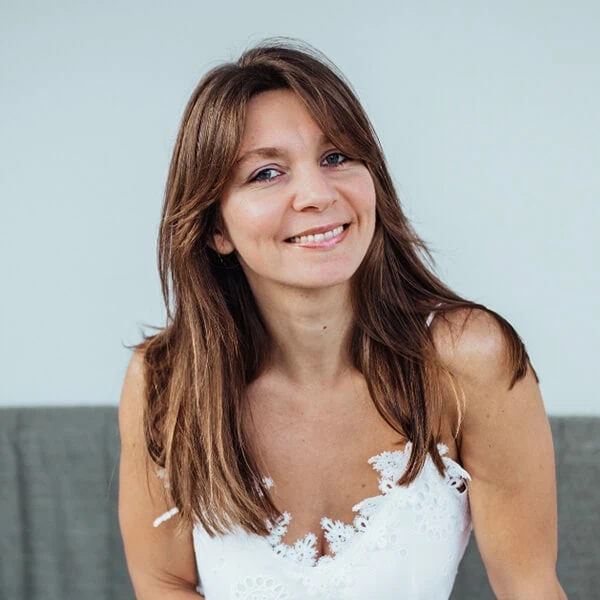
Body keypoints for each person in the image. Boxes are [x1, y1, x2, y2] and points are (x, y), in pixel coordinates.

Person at [118, 37, 566, 599]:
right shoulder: (164, 380)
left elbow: (529, 585)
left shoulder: (468, 359)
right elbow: (164, 584)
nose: (316, 194)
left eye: (335, 158)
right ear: (215, 229)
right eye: (266, 173)